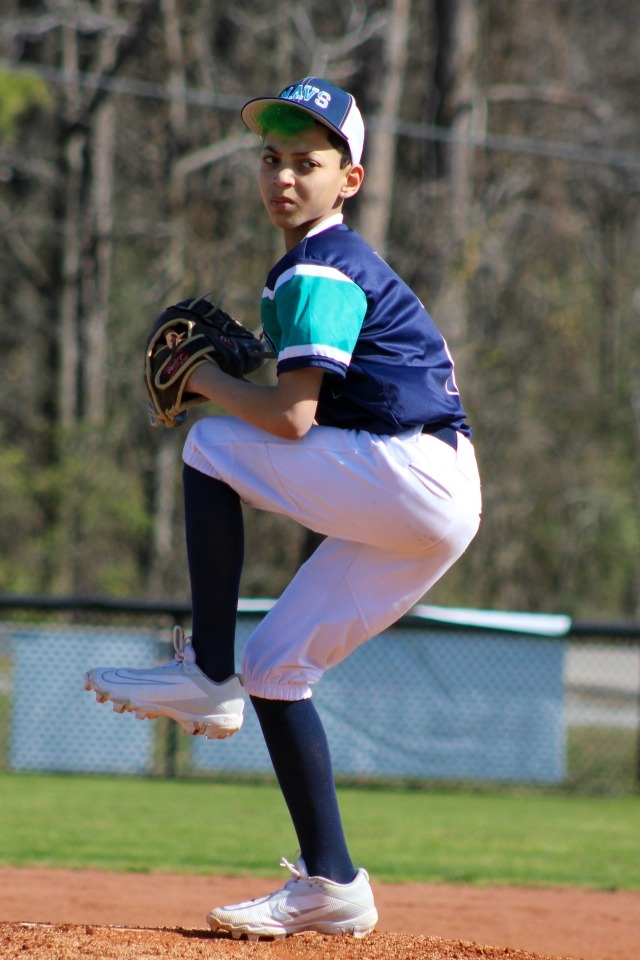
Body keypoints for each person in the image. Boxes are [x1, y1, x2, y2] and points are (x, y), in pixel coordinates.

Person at [85, 76, 482, 941]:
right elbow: (313, 397)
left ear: (351, 179)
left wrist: (203, 380)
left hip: (410, 472)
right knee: (278, 667)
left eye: (308, 161)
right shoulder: (319, 269)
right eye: (271, 159)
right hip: (433, 498)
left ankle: (206, 672)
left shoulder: (320, 266)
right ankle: (333, 885)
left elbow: (294, 420)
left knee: (208, 447)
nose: (284, 177)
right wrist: (249, 361)